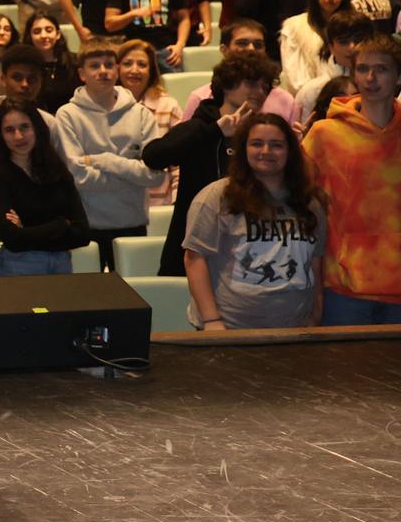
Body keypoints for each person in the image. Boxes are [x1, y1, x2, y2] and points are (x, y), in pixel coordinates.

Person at [183, 113, 325, 331]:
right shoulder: (216, 197)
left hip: (296, 329)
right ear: (243, 149)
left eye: (276, 145)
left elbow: (315, 262)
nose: (266, 151)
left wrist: (315, 314)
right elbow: (194, 260)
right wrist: (212, 321)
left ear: (290, 152)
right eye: (257, 144)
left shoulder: (309, 203)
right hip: (229, 330)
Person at [144, 51, 280, 276]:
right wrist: (215, 131)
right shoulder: (200, 126)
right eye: (251, 83)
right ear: (227, 84)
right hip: (193, 245)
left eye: (265, 86)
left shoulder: (261, 135)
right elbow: (154, 156)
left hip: (245, 245)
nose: (260, 91)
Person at [301, 34, 401, 324]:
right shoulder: (324, 134)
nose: (370, 77)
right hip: (344, 288)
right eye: (362, 69)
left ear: (397, 77)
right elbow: (297, 199)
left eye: (381, 69)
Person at [53, 39, 161, 269]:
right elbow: (78, 178)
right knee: (90, 301)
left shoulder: (141, 114)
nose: (103, 71)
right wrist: (132, 175)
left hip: (132, 224)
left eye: (109, 65)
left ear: (117, 69)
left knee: (135, 297)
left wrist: (104, 161)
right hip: (86, 227)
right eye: (95, 66)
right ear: (82, 73)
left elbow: (155, 175)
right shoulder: (67, 115)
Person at [0, 101, 91, 275]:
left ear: (37, 128)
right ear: (0, 135)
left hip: (61, 265)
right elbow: (12, 239)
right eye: (10, 130)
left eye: (25, 127)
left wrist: (25, 230)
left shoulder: (57, 169)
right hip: (17, 267)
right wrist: (61, 225)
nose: (18, 136)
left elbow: (82, 234)